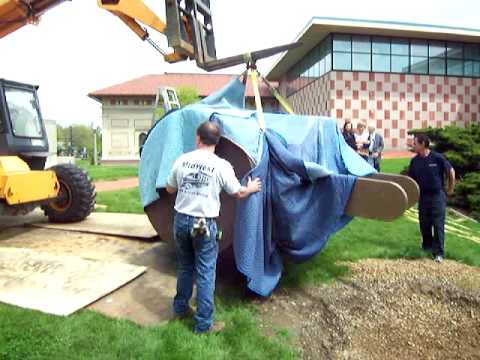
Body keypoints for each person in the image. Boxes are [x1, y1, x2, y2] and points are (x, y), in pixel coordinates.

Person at [166, 121, 262, 333]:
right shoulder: (222, 166)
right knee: (205, 272)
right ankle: (203, 324)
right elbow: (237, 193)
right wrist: (252, 188)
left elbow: (170, 188)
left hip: (181, 220)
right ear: (217, 142)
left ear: (198, 138)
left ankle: (180, 308)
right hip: (202, 224)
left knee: (184, 267)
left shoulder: (183, 160)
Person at [408, 134, 455, 263]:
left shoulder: (437, 158)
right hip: (423, 197)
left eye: (415, 143)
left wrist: (450, 189)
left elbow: (451, 172)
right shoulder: (415, 161)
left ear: (423, 144)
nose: (413, 145)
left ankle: (439, 253)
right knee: (424, 224)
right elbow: (410, 181)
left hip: (437, 196)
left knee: (438, 224)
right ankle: (427, 249)